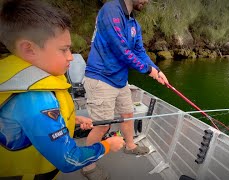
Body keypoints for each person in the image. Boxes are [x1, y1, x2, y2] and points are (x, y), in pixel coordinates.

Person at [0, 0, 125, 179]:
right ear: (29, 49)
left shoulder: (21, 79)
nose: (71, 57)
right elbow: (69, 159)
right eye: (64, 50)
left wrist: (72, 119)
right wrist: (107, 145)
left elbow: (27, 125)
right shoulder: (35, 98)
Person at [83, 0, 169, 177]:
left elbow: (139, 52)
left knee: (128, 114)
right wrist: (148, 70)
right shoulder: (110, 10)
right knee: (102, 125)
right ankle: (88, 167)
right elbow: (120, 49)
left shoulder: (133, 23)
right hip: (101, 77)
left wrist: (158, 71)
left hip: (120, 80)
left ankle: (130, 146)